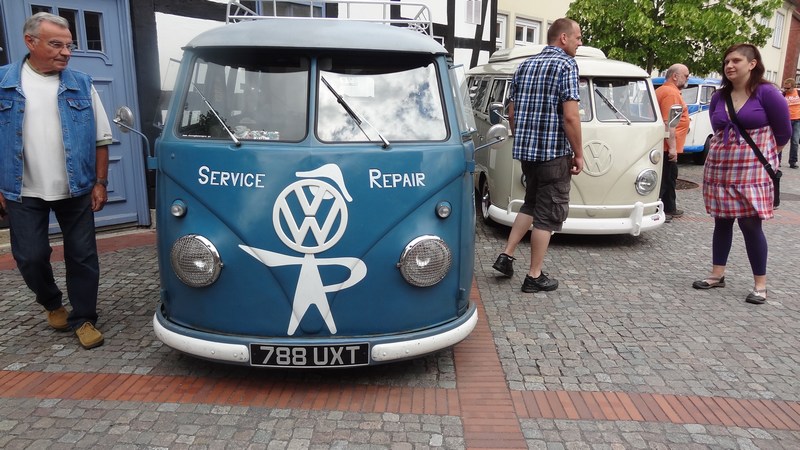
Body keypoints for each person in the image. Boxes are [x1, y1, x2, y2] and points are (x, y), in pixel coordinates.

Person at [0, 12, 112, 348]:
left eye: (69, 46)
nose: (66, 52)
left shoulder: (82, 84)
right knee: (30, 257)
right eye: (56, 45)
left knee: (82, 255)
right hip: (22, 189)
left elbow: (101, 139)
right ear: (30, 42)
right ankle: (52, 303)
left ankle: (84, 318)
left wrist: (100, 182)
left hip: (76, 188)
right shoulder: (3, 82)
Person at [692, 44, 791, 305]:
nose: (729, 66)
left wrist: (765, 156)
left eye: (736, 61)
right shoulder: (719, 96)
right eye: (726, 62)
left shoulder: (767, 93)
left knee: (750, 224)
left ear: (752, 64)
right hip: (721, 168)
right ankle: (717, 274)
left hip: (752, 171)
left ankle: (760, 284)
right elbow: (718, 129)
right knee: (722, 221)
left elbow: (783, 132)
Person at [491, 18, 583, 293]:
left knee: (530, 203)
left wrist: (522, 138)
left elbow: (511, 111)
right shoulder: (566, 65)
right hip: (554, 155)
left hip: (528, 154)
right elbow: (570, 116)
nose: (580, 43)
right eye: (578, 37)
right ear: (563, 38)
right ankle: (534, 276)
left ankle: (506, 255)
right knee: (547, 214)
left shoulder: (524, 66)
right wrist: (579, 154)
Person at [655, 64, 691, 223]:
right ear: (675, 76)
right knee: (666, 178)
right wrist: (673, 148)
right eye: (686, 76)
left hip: (664, 145)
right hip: (666, 147)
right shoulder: (670, 93)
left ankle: (669, 207)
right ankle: (663, 209)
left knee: (669, 177)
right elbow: (669, 123)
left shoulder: (665, 91)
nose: (688, 79)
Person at [782, 78, 800, 169]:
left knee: (795, 141)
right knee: (782, 140)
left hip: (797, 120)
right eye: (785, 88)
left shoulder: (798, 93)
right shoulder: (783, 95)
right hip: (786, 120)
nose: (786, 90)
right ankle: (778, 160)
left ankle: (793, 162)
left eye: (788, 88)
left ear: (793, 87)